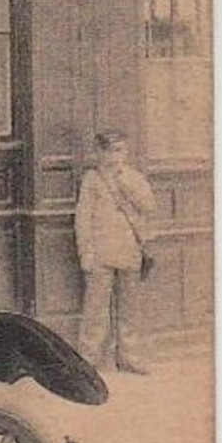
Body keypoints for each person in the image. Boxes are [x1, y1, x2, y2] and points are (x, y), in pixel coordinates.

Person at [73, 129, 157, 374]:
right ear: (99, 153)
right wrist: (85, 252)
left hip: (129, 251)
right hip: (100, 254)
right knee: (95, 310)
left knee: (130, 310)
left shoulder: (134, 177)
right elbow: (83, 218)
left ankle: (130, 359)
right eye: (110, 150)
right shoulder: (92, 180)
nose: (115, 156)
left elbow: (149, 206)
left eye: (120, 150)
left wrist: (127, 184)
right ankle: (88, 359)